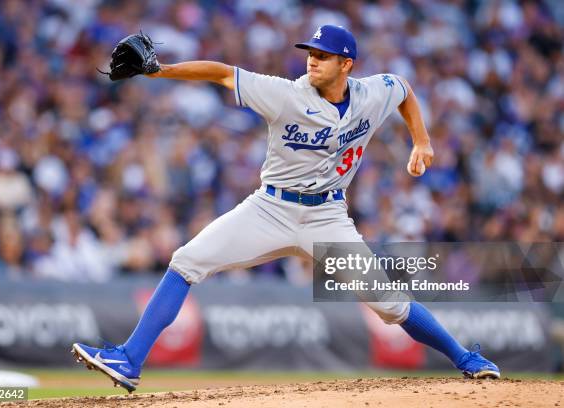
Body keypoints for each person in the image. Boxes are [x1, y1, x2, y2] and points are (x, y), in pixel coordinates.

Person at [72, 25, 499, 392]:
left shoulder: (371, 94)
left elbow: (404, 90)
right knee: (186, 261)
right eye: (310, 54)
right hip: (271, 209)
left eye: (323, 56)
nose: (312, 61)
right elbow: (223, 74)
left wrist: (421, 140)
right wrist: (160, 70)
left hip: (327, 218)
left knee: (391, 305)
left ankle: (466, 359)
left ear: (346, 64)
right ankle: (130, 359)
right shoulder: (284, 94)